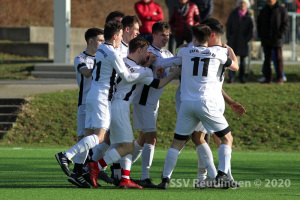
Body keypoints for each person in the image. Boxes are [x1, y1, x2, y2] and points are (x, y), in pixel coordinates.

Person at [55, 21, 152, 188]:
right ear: (115, 37)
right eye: (121, 35)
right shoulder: (113, 53)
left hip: (92, 95)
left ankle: (78, 172)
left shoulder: (100, 49)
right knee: (100, 137)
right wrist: (146, 71)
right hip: (102, 97)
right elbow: (127, 77)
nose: (122, 38)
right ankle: (66, 155)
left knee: (89, 136)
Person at [87, 37, 181, 189]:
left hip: (108, 103)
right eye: (145, 51)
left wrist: (148, 64)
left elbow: (131, 71)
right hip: (120, 107)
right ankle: (95, 167)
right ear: (139, 50)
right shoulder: (143, 71)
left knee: (120, 144)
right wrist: (175, 72)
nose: (147, 54)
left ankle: (124, 179)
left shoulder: (121, 61)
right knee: (128, 146)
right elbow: (158, 84)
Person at [156, 23, 239, 190]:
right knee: (226, 138)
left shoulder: (185, 52)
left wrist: (158, 65)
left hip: (186, 104)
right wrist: (231, 52)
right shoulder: (218, 53)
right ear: (209, 38)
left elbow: (166, 63)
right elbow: (235, 67)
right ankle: (222, 175)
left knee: (176, 143)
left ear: (193, 38)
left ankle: (165, 179)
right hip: (207, 103)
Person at [88, 15, 143, 185]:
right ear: (124, 31)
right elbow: (125, 76)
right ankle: (91, 166)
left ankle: (120, 176)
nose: (138, 33)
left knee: (111, 140)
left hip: (108, 99)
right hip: (113, 100)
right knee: (123, 143)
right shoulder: (116, 50)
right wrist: (144, 71)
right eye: (136, 30)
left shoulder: (107, 48)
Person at [129, 21, 174, 188]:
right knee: (151, 138)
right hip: (143, 100)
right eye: (162, 35)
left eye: (168, 35)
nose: (165, 38)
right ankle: (145, 177)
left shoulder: (168, 53)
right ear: (154, 35)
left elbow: (171, 62)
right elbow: (154, 65)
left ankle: (120, 169)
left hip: (153, 102)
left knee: (142, 139)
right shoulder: (149, 52)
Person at [257, 0, 289, 84]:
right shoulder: (264, 10)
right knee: (267, 59)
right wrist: (261, 35)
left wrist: (280, 35)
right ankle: (268, 78)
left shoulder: (281, 10)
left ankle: (280, 78)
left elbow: (285, 24)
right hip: (266, 38)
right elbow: (259, 24)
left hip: (277, 39)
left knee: (278, 58)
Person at [226, 0, 253, 83]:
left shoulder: (249, 15)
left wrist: (247, 39)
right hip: (233, 40)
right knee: (232, 60)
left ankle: (242, 77)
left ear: (247, 5)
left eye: (244, 3)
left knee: (243, 61)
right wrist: (229, 37)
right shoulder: (233, 14)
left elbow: (251, 30)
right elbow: (228, 26)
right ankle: (231, 77)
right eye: (241, 3)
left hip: (243, 42)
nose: (242, 4)